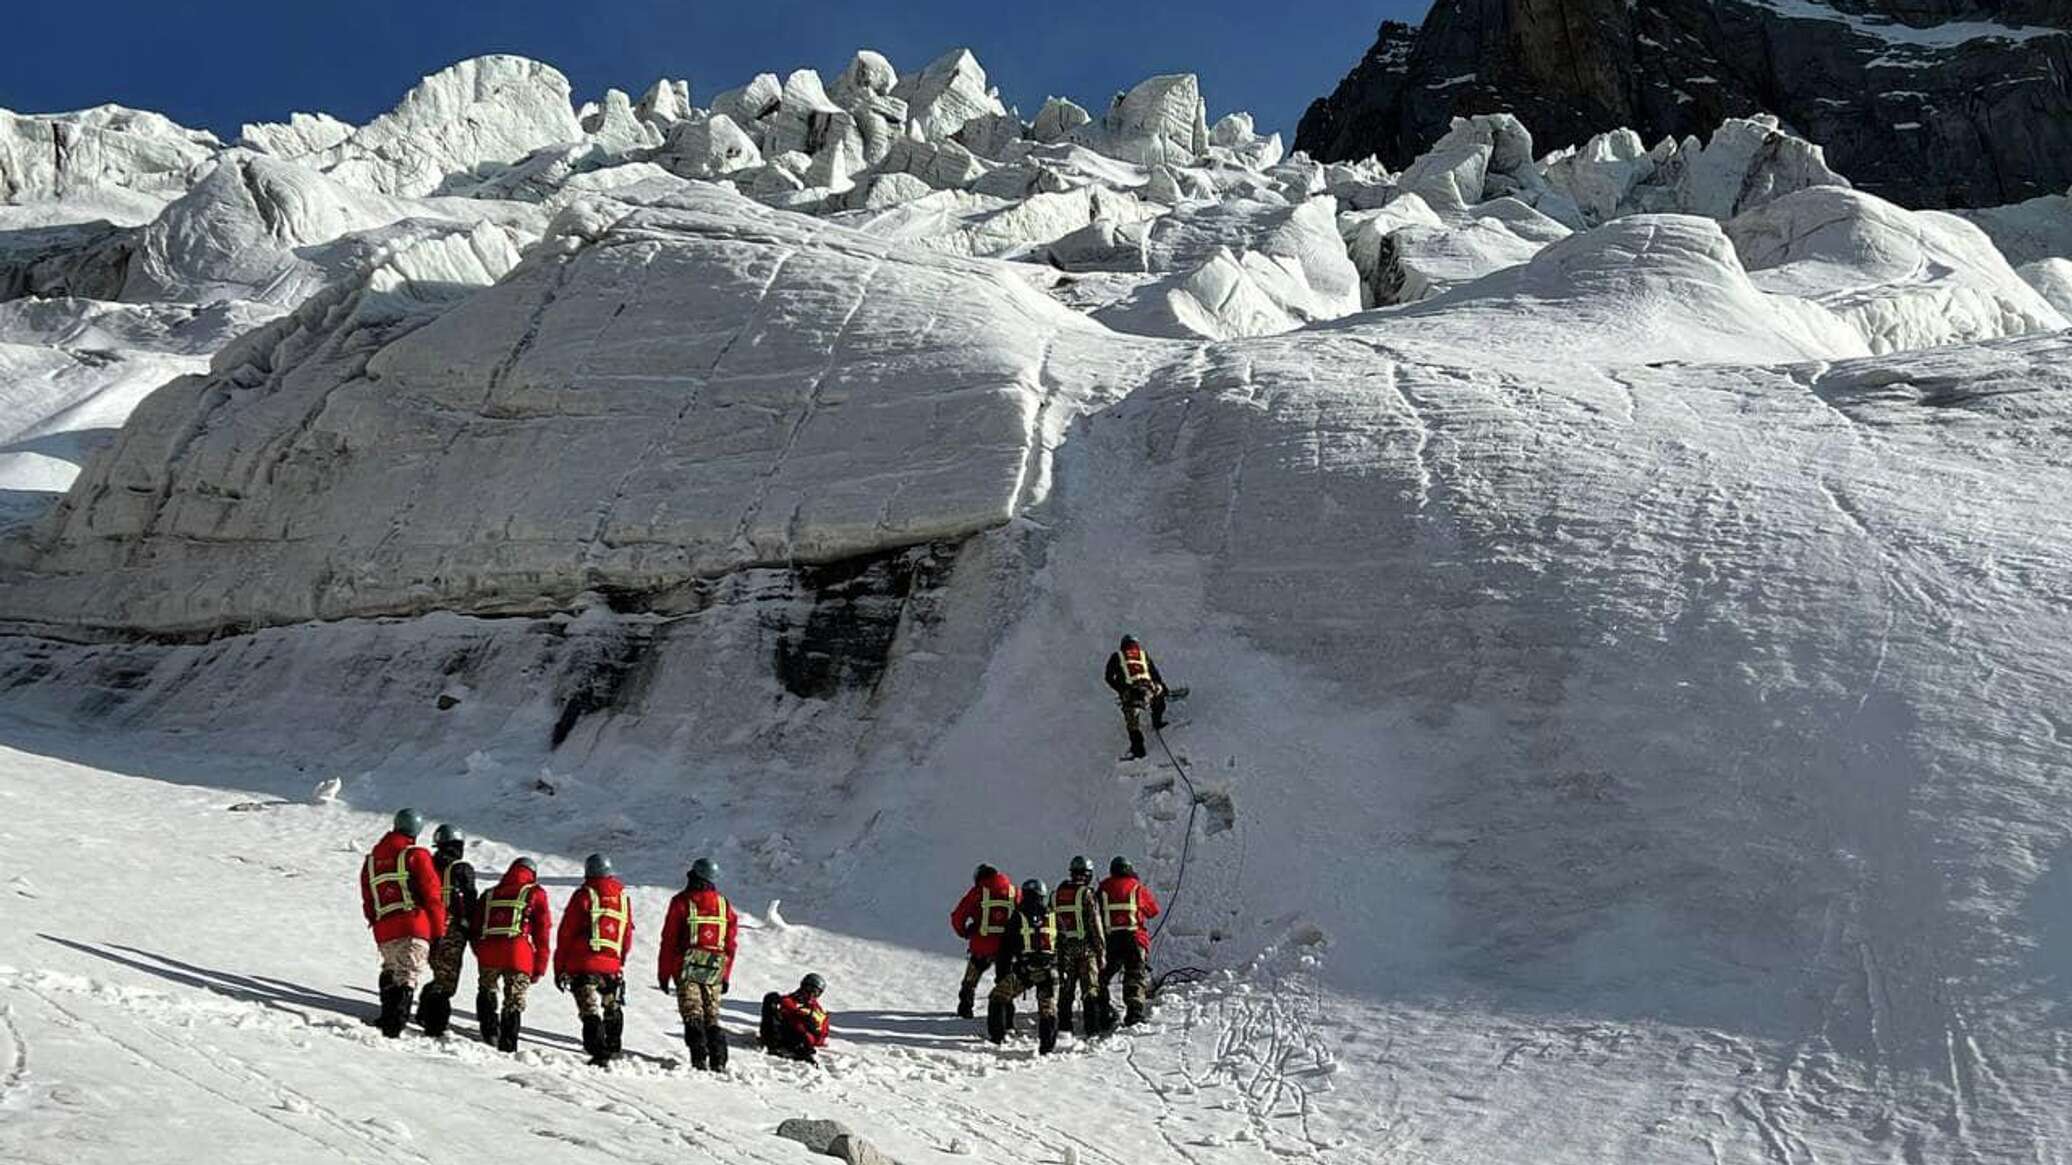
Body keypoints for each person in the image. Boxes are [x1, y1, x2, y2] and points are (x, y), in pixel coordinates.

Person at [358, 808, 447, 1038]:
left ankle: (388, 1019)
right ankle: (394, 1026)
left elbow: (369, 902)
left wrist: (377, 923)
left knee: (390, 971)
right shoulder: (416, 855)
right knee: (407, 975)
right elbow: (432, 896)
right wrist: (438, 932)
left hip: (385, 928)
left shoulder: (370, 862)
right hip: (414, 925)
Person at [657, 857, 739, 1072]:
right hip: (714, 970)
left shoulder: (681, 902)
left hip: (686, 969)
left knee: (692, 1014)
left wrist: (664, 974)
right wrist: (726, 975)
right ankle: (719, 1061)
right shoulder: (724, 905)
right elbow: (730, 945)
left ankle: (699, 1059)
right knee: (712, 1017)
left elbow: (669, 940)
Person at [556, 853, 635, 1066]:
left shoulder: (584, 895)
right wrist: (620, 961)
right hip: (612, 965)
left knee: (589, 1009)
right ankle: (614, 1045)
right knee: (612, 1006)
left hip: (583, 964)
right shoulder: (623, 899)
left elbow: (566, 933)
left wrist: (559, 967)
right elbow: (626, 935)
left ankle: (599, 1052)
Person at [472, 856, 552, 1052]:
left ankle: (489, 1031)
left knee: (487, 989)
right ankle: (508, 1042)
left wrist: (480, 952)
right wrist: (539, 966)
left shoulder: (490, 894)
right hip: (519, 953)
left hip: (489, 951)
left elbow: (475, 928)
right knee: (514, 999)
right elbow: (542, 932)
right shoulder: (535, 893)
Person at [416, 823, 478, 1037]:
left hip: (426, 927)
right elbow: (470, 901)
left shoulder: (426, 866)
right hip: (452, 930)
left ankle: (424, 1011)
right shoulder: (461, 870)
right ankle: (434, 1024)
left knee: (438, 973)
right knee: (446, 982)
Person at [989, 879, 1060, 1053]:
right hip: (1049, 970)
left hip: (1026, 970)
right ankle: (1047, 1047)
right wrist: (1062, 969)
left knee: (998, 997)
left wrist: (1002, 974)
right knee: (1047, 1008)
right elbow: (1063, 943)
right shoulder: (1052, 916)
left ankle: (996, 1038)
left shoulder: (1018, 916)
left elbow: (1005, 949)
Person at [1097, 856, 1161, 1028]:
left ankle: (1103, 1010)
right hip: (1134, 938)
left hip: (1110, 940)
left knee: (1102, 976)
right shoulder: (1136, 887)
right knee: (1135, 974)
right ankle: (1134, 1013)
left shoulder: (1103, 887)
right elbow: (1153, 911)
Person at [949, 863, 1018, 1019]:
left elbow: (958, 916)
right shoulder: (1014, 892)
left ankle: (965, 1009)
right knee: (1005, 981)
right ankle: (1006, 1016)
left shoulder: (977, 893)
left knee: (970, 979)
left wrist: (964, 932)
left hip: (982, 945)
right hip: (1007, 947)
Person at [1052, 855, 1106, 1036]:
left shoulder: (1055, 895)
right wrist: (1101, 951)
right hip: (1085, 949)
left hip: (1063, 950)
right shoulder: (1086, 894)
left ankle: (1064, 1027)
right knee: (1090, 988)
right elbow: (1095, 924)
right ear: (1088, 874)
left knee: (1066, 989)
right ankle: (1092, 1027)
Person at [1104, 635, 1169, 760]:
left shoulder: (1117, 656)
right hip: (1149, 688)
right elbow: (1155, 674)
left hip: (1131, 693)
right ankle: (1157, 721)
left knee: (1132, 723)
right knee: (1158, 698)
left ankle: (1139, 751)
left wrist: (1121, 690)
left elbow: (1108, 677)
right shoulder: (1143, 655)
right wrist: (1164, 689)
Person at [759, 973, 831, 1062]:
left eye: (815, 992)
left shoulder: (818, 1011)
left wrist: (813, 1031)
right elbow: (785, 1004)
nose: (811, 994)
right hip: (779, 1033)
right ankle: (772, 1043)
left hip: (798, 1039)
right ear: (802, 987)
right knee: (771, 998)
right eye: (808, 989)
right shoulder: (790, 1000)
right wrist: (800, 1015)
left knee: (803, 1036)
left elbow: (822, 1036)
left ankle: (798, 1050)